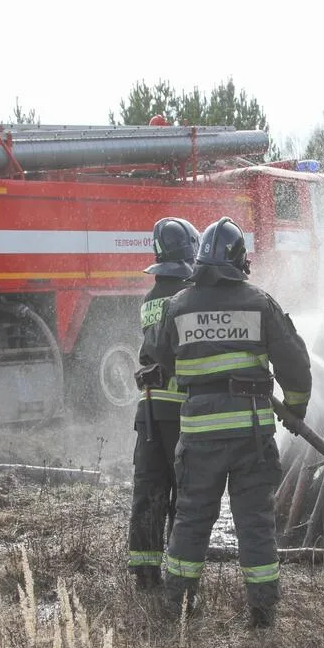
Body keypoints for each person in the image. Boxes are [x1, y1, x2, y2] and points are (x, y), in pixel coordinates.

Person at [142, 216, 312, 628]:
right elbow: (294, 363)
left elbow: (159, 352)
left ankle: (179, 603)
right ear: (239, 261)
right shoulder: (259, 303)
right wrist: (295, 407)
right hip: (251, 434)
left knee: (192, 518)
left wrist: (194, 370)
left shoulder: (178, 305)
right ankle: (262, 611)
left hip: (199, 436)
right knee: (255, 521)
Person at [127, 217, 200, 590]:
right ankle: (180, 574)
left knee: (149, 490)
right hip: (181, 410)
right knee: (184, 493)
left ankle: (144, 571)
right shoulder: (188, 297)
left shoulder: (150, 298)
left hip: (149, 409)